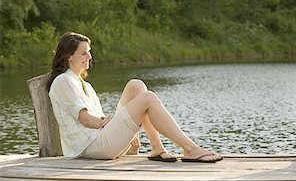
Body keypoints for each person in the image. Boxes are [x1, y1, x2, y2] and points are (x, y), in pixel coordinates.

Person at [48, 31, 223, 163]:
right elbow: (86, 119)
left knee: (136, 86)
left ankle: (156, 147)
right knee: (147, 98)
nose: (89, 57)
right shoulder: (63, 80)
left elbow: (94, 120)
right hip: (90, 148)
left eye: (89, 51)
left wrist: (122, 130)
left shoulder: (83, 84)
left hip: (100, 141)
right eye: (84, 53)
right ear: (69, 56)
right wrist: (110, 123)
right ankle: (190, 149)